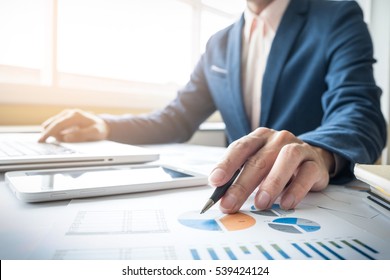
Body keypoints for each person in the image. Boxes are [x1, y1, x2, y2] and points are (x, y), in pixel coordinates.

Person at [39, 0, 387, 213]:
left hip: (310, 204)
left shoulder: (337, 15)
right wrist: (104, 126)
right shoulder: (219, 43)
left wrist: (317, 150)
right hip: (240, 206)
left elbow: (360, 113)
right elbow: (176, 119)